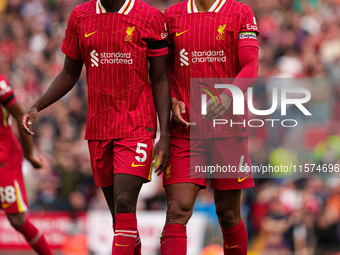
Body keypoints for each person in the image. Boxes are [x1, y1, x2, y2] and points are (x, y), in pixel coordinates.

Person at [22, 0, 171, 254]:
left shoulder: (150, 17)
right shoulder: (80, 16)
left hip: (137, 124)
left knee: (125, 203)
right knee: (120, 220)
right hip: (99, 128)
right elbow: (69, 73)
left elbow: (159, 78)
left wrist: (164, 134)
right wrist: (38, 105)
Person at [161, 0, 259, 254]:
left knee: (227, 213)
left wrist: (228, 95)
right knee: (177, 210)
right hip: (186, 129)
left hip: (228, 128)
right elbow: (163, 70)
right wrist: (173, 98)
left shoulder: (240, 12)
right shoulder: (171, 16)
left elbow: (251, 65)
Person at [0, 74, 53, 255]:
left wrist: (30, 154)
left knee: (17, 220)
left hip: (4, 158)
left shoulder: (0, 85)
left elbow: (21, 115)